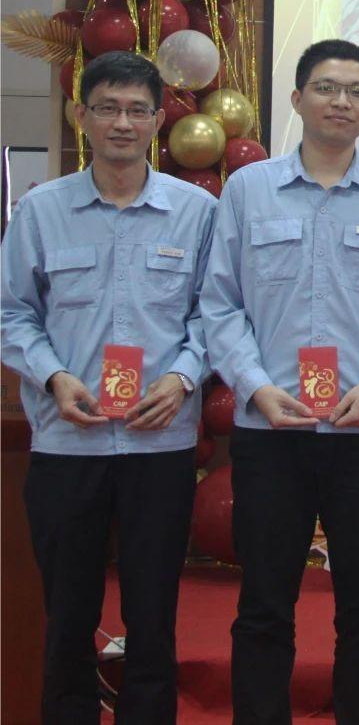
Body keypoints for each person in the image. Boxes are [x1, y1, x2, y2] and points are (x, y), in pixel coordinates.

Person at [200, 39, 359, 724]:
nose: (342, 101)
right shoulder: (249, 190)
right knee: (264, 603)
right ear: (298, 98)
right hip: (271, 432)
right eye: (328, 88)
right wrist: (254, 385)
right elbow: (221, 304)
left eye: (357, 90)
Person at [1, 51, 217, 723]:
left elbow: (215, 314)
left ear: (158, 119)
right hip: (69, 443)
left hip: (160, 446)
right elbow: (12, 314)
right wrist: (54, 375)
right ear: (81, 115)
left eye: (136, 110)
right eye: (107, 108)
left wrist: (183, 377)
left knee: (153, 614)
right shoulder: (41, 210)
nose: (122, 123)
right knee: (68, 616)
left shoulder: (196, 211)